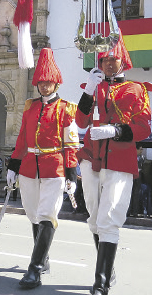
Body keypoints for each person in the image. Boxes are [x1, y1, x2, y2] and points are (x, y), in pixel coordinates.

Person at [75, 32, 151, 295]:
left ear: (123, 62)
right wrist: (88, 89)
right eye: (105, 59)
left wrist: (116, 131)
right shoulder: (95, 86)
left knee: (109, 219)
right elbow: (80, 122)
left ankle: (102, 281)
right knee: (94, 219)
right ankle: (108, 268)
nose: (108, 63)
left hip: (119, 160)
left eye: (113, 60)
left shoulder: (137, 89)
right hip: (90, 158)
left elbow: (142, 128)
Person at [7, 48, 79, 289]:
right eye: (41, 83)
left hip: (54, 168)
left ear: (56, 83)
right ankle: (43, 258)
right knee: (33, 214)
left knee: (47, 214)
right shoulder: (30, 107)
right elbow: (21, 140)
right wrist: (13, 166)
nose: (44, 87)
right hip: (29, 167)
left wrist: (71, 173)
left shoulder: (66, 108)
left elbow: (70, 144)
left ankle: (34, 270)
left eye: (48, 83)